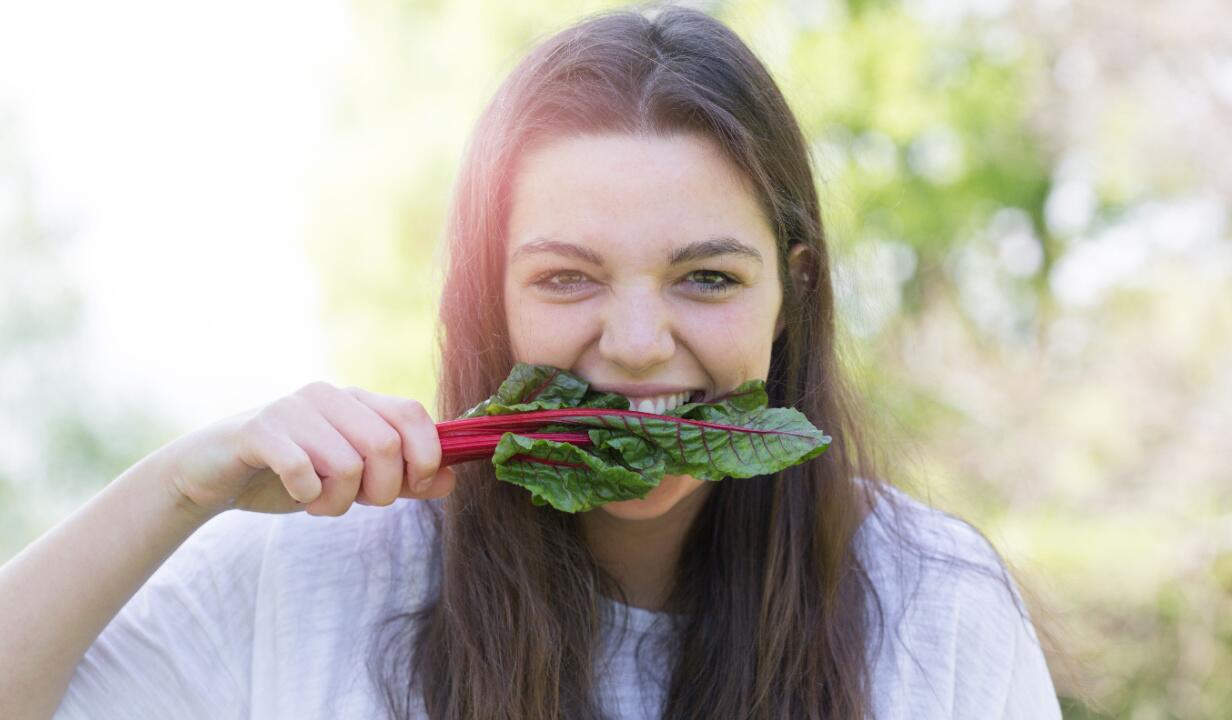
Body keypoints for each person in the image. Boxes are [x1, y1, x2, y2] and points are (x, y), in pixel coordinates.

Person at [0, 4, 1062, 719]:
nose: (638, 343)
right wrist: (181, 487)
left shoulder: (933, 604)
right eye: (565, 279)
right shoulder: (311, 570)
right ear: (487, 301)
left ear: (791, 293)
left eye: (706, 279)